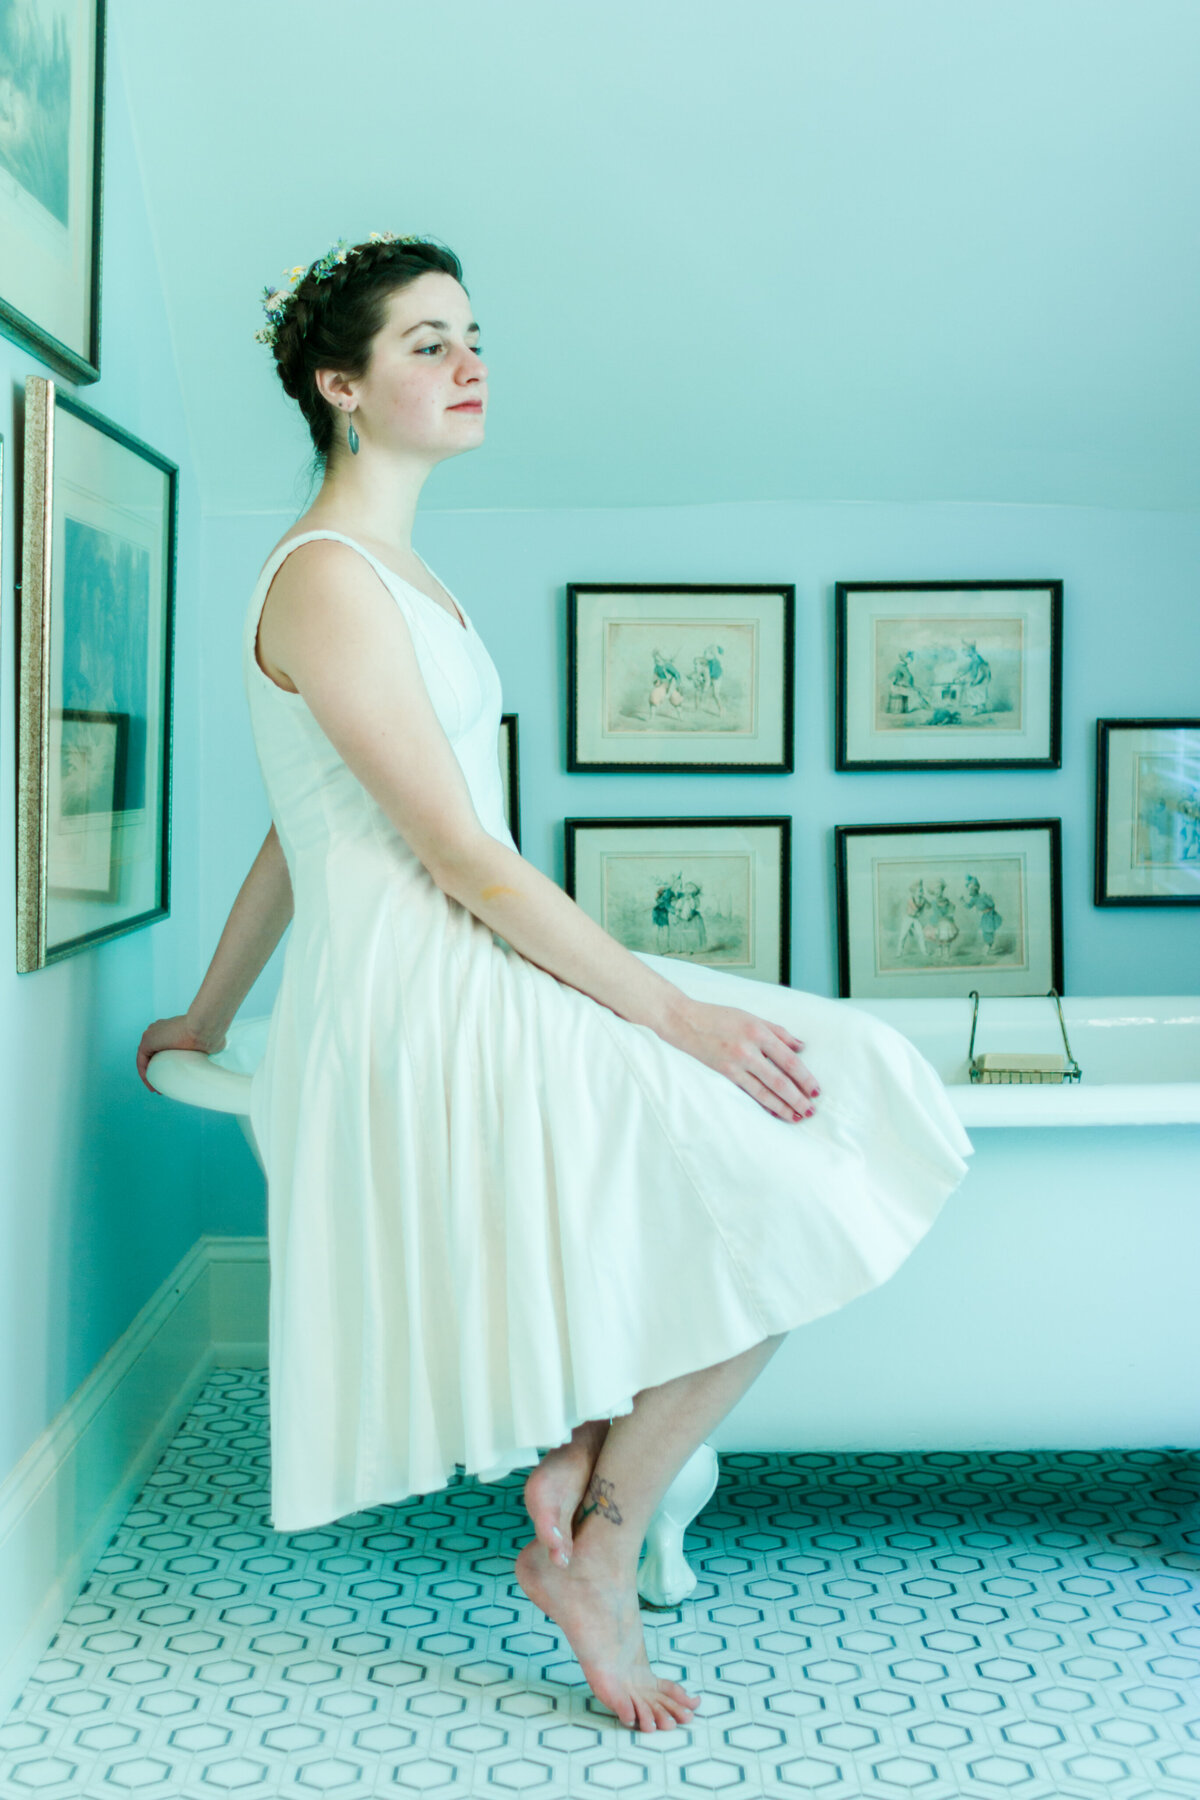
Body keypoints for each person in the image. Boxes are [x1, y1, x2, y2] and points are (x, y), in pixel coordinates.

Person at [135, 232, 973, 1737]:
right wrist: (673, 1010)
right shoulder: (327, 579)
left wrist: (206, 1014)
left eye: (472, 336)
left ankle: (592, 1473)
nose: (470, 366)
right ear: (340, 385)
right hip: (423, 985)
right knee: (782, 1150)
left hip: (467, 954)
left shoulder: (394, 571)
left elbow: (295, 811)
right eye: (425, 345)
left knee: (827, 1097)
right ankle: (591, 1537)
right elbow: (456, 856)